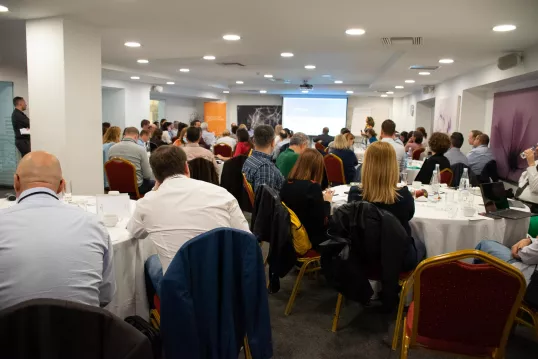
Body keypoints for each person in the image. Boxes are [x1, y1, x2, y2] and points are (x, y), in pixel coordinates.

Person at [0, 151, 115, 310]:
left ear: (16, 182)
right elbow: (105, 295)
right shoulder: (94, 224)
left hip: (10, 333)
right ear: (62, 185)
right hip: (83, 331)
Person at [127, 145, 249, 278]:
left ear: (155, 176)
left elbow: (134, 231)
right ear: (186, 167)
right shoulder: (222, 194)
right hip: (225, 283)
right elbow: (246, 238)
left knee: (152, 261)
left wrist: (153, 192)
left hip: (179, 289)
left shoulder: (147, 202)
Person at [348, 142, 425, 270]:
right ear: (392, 166)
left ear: (366, 166)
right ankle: (413, 289)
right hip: (397, 261)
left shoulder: (355, 194)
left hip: (363, 258)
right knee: (421, 244)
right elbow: (409, 216)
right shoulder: (403, 196)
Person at [280, 149, 333, 249]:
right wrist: (327, 201)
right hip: (309, 238)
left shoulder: (287, 183)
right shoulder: (313, 187)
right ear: (317, 167)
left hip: (290, 235)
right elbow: (322, 222)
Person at [108, 127, 154, 195]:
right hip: (136, 187)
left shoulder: (111, 149)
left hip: (116, 187)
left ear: (124, 135)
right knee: (156, 183)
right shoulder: (140, 149)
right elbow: (147, 175)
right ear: (136, 137)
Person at [243, 125, 285, 193]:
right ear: (273, 142)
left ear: (253, 141)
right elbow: (265, 201)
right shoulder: (265, 167)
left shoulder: (250, 159)